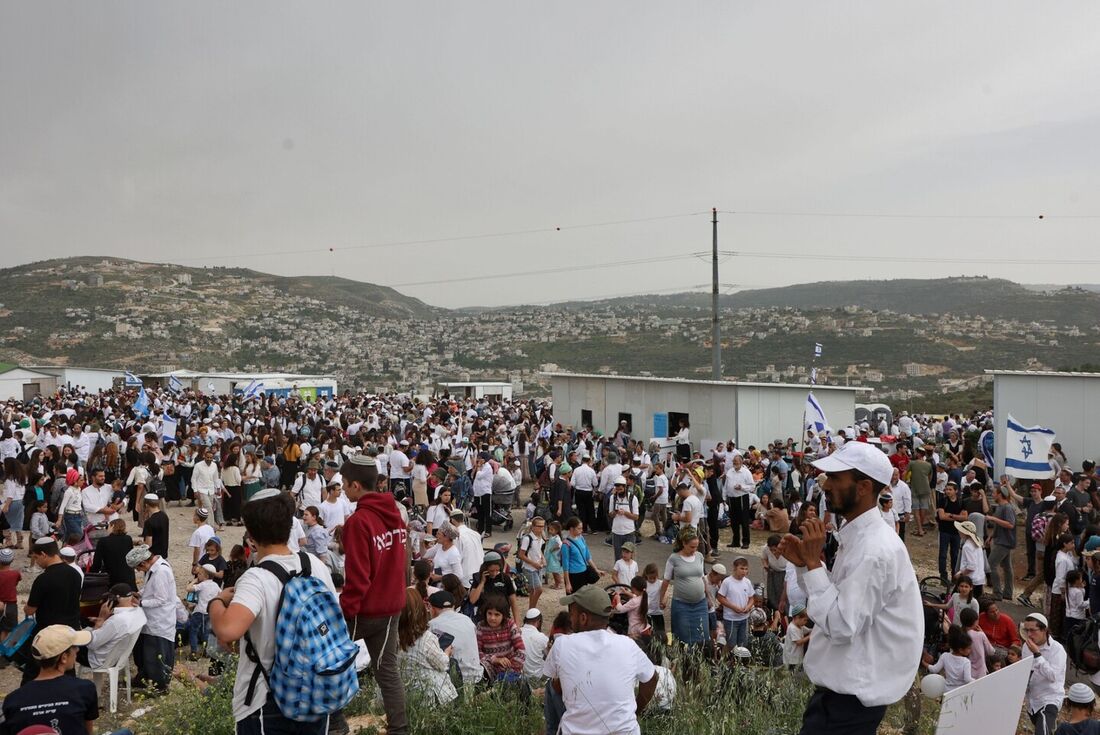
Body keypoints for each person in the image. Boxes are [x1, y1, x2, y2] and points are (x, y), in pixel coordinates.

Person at [778, 440, 922, 735]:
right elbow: (836, 605)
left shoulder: (873, 550)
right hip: (842, 697)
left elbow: (842, 625)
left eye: (835, 477)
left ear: (863, 487)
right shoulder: (860, 538)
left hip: (849, 702)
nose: (826, 484)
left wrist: (814, 565)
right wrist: (806, 565)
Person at [339, 454, 409, 735]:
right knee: (387, 672)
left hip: (364, 610)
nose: (342, 488)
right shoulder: (395, 513)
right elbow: (404, 562)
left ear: (356, 485)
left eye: (344, 484)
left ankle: (333, 726)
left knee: (331, 664)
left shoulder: (359, 521)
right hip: (392, 606)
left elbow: (358, 576)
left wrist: (345, 610)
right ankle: (399, 728)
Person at [543, 584, 657, 735]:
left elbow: (556, 687)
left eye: (572, 613)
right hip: (625, 731)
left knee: (551, 685)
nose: (570, 618)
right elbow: (652, 678)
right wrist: (636, 709)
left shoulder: (562, 644)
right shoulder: (627, 644)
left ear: (583, 618)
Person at [1, 625, 104, 735]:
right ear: (64, 658)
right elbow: (88, 731)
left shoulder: (12, 700)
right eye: (74, 647)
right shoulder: (85, 689)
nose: (78, 650)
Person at [22, 538, 82, 682]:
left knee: (35, 671)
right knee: (67, 668)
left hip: (48, 633)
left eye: (36, 557)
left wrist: (26, 607)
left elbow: (30, 610)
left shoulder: (43, 579)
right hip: (70, 630)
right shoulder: (75, 573)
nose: (36, 561)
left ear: (43, 554)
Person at [125, 543, 177, 693]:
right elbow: (150, 588)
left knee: (158, 654)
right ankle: (145, 678)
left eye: (138, 568)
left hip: (160, 620)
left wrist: (141, 602)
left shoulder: (161, 571)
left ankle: (160, 686)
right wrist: (140, 593)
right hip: (151, 619)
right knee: (146, 652)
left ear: (143, 562)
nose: (138, 571)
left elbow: (161, 599)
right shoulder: (152, 570)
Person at [396, 588, 457, 707]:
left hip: (403, 693)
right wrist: (447, 653)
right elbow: (442, 664)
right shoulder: (426, 638)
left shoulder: (392, 637)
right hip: (429, 696)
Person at [659, 526, 709, 645]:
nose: (694, 549)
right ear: (683, 543)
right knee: (683, 636)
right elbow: (666, 580)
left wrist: (709, 598)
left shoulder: (699, 556)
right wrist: (661, 599)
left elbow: (702, 577)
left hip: (700, 603)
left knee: (703, 635)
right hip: (682, 605)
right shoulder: (674, 558)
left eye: (696, 546)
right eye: (692, 547)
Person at [80, 582, 148, 670]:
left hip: (100, 660)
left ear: (115, 599)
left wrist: (100, 620)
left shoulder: (116, 621)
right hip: (120, 656)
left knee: (69, 644)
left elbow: (92, 644)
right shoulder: (139, 612)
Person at [1023, 612, 1068, 735]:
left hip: (1050, 698)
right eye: (1026, 630)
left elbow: (1053, 676)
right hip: (1032, 699)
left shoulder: (1057, 650)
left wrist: (1037, 654)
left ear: (1044, 630)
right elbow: (1025, 671)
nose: (1029, 635)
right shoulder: (1026, 647)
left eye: (1033, 630)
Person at [426, 590, 481, 688]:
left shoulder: (432, 625)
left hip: (453, 681)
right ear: (453, 606)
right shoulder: (467, 620)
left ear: (432, 608)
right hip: (475, 677)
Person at [475, 594, 525, 682]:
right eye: (489, 613)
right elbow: (477, 652)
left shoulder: (510, 625)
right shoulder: (481, 627)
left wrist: (509, 668)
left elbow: (521, 650)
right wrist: (495, 659)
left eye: (497, 614)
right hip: (489, 669)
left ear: (503, 615)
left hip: (509, 669)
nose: (492, 618)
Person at [986, 483, 1017, 601]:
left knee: (991, 564)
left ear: (1000, 494)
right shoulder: (1000, 507)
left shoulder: (1007, 508)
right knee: (1007, 567)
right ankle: (1008, 593)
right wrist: (991, 536)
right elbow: (1000, 525)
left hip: (1005, 542)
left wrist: (993, 519)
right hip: (1002, 540)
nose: (993, 494)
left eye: (994, 493)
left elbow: (1010, 524)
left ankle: (997, 592)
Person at [717, 556, 755, 648]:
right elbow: (720, 597)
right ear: (734, 568)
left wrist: (748, 607)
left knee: (743, 643)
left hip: (744, 618)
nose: (744, 571)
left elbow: (751, 598)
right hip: (731, 619)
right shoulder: (727, 582)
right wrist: (733, 607)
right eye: (741, 568)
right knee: (731, 644)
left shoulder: (747, 582)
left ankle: (740, 660)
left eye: (746, 569)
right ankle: (730, 660)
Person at [925, 625, 974, 692]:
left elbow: (934, 669)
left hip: (947, 691)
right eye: (968, 648)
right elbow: (967, 679)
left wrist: (924, 663)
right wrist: (978, 681)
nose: (970, 650)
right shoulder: (966, 662)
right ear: (960, 650)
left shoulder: (945, 656)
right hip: (960, 692)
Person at [90, 518, 136, 589]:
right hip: (128, 576)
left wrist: (91, 574)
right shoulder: (128, 539)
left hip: (112, 577)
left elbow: (97, 563)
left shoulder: (103, 541)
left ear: (112, 526)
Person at [561, 516, 602, 594]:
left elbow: (588, 556)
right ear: (572, 529)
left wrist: (596, 569)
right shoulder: (566, 544)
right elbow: (565, 566)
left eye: (581, 528)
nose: (581, 530)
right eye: (579, 528)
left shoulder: (581, 538)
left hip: (583, 572)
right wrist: (568, 583)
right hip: (573, 575)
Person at [937, 482, 967, 582]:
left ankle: (954, 576)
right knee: (943, 554)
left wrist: (951, 515)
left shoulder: (961, 502)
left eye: (950, 489)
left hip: (956, 532)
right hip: (944, 531)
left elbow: (964, 517)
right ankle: (943, 576)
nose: (948, 491)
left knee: (955, 555)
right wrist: (956, 517)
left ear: (956, 491)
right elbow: (941, 516)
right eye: (947, 489)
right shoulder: (942, 501)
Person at [518, 517, 547, 610]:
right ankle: (532, 609)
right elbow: (521, 555)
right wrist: (534, 564)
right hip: (529, 568)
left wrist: (543, 558)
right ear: (533, 527)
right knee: (538, 589)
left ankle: (531, 609)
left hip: (538, 567)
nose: (541, 528)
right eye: (539, 526)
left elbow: (539, 550)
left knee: (533, 590)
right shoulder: (527, 538)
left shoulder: (541, 537)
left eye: (543, 526)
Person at [520, 608, 549, 684]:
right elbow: (550, 656)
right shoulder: (541, 637)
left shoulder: (517, 632)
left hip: (520, 676)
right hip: (537, 677)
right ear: (539, 621)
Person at [782, 604, 811, 669]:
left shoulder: (800, 626)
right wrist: (809, 636)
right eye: (805, 620)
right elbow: (798, 642)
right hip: (791, 659)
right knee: (793, 675)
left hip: (797, 658)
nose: (806, 622)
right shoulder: (792, 628)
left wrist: (815, 630)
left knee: (797, 673)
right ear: (797, 617)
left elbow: (808, 630)